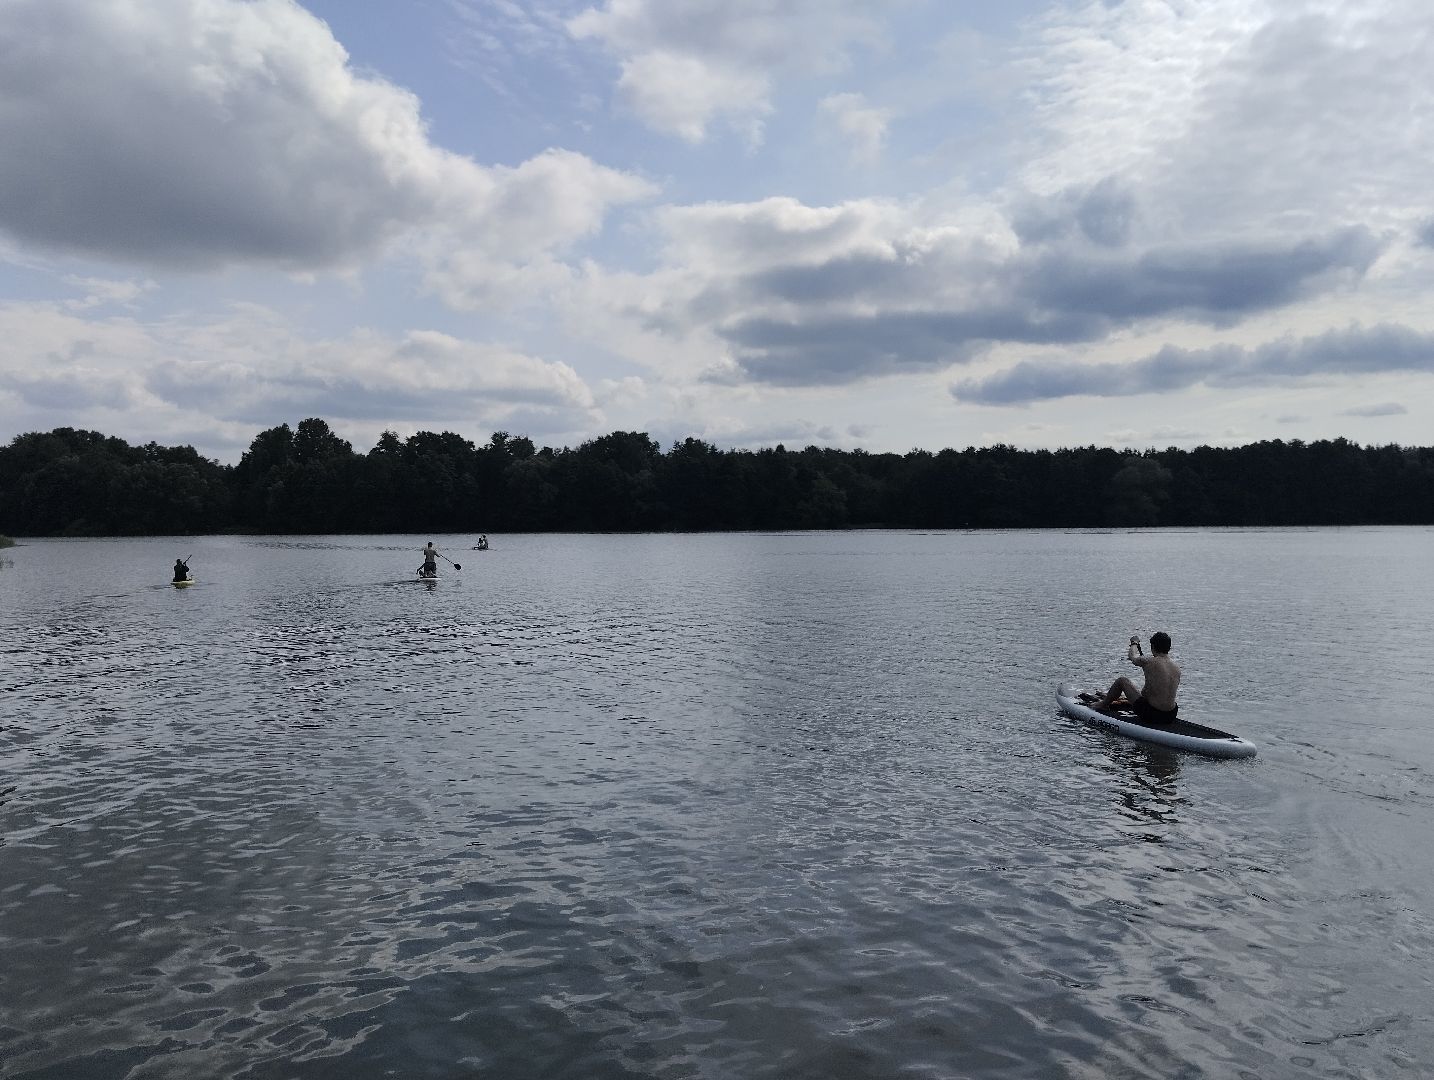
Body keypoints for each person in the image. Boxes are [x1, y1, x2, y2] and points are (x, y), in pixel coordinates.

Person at [1090, 631, 1181, 723]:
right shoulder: (1176, 667)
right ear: (1169, 648)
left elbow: (1132, 656)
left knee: (1122, 681)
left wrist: (1134, 643)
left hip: (1152, 714)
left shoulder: (1149, 661)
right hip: (1171, 715)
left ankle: (1103, 704)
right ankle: (1114, 697)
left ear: (1153, 647)